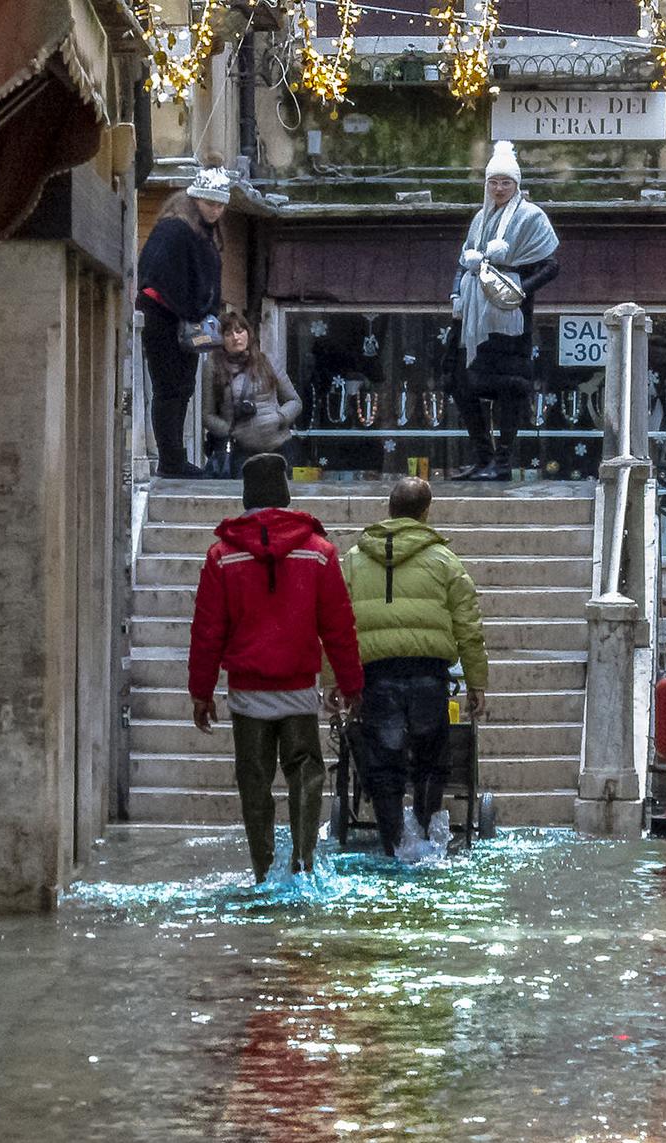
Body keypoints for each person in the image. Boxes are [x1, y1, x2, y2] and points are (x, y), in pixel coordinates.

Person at [188, 454, 366, 881]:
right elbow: (338, 626)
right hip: (298, 690)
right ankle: (303, 864)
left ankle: (263, 870)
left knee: (254, 781)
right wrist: (350, 682)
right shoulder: (319, 553)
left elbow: (208, 630)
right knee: (306, 774)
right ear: (286, 494)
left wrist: (201, 691)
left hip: (248, 694)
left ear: (246, 495)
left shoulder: (222, 557)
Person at [338, 477, 489, 857]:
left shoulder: (354, 559)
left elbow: (335, 625)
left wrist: (333, 680)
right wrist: (476, 682)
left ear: (389, 511)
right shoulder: (444, 561)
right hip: (428, 675)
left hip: (376, 676)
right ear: (425, 513)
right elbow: (469, 627)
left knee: (384, 765)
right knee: (430, 759)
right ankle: (423, 837)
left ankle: (393, 845)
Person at [446, 140, 560, 481]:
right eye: (494, 182)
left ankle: (503, 462)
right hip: (470, 317)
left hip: (509, 320)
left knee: (509, 388)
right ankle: (484, 457)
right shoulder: (480, 219)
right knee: (459, 382)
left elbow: (551, 265)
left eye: (505, 182)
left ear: (517, 184)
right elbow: (463, 260)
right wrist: (455, 294)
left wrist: (519, 290)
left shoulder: (531, 216)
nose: (499, 188)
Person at [139, 164, 231, 478]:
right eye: (210, 203)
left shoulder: (200, 234)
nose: (216, 210)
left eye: (220, 204)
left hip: (183, 318)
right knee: (170, 389)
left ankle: (174, 458)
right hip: (165, 318)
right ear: (195, 200)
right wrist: (189, 312)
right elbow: (154, 277)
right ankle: (171, 460)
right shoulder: (175, 229)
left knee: (182, 389)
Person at [202, 311, 303, 475]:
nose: (236, 338)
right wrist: (229, 430)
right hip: (240, 452)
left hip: (279, 447)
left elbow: (294, 401)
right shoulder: (213, 367)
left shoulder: (267, 361)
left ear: (248, 333)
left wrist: (279, 417)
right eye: (228, 334)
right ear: (221, 339)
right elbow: (207, 415)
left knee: (281, 498)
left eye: (240, 331)